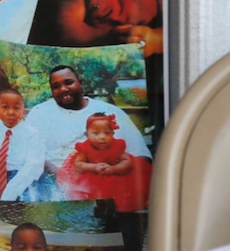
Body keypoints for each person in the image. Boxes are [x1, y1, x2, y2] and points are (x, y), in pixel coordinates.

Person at [25, 65, 152, 200]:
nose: (63, 89)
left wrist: (111, 174)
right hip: (54, 186)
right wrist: (61, 177)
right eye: (56, 86)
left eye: (68, 82)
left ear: (81, 83)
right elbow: (29, 155)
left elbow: (141, 155)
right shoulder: (40, 113)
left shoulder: (109, 111)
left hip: (106, 185)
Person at [55, 113, 153, 212]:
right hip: (91, 175)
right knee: (89, 194)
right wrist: (94, 167)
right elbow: (78, 165)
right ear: (87, 134)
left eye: (107, 133)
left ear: (113, 133)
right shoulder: (84, 148)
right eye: (96, 133)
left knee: (136, 183)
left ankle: (143, 200)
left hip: (115, 172)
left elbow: (127, 161)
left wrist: (113, 169)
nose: (102, 137)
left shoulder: (117, 146)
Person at [0, 88, 45, 201]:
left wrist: (11, 191)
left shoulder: (32, 135)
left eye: (16, 108)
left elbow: (33, 166)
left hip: (22, 181)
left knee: (23, 207)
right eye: (5, 107)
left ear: (23, 111)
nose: (11, 112)